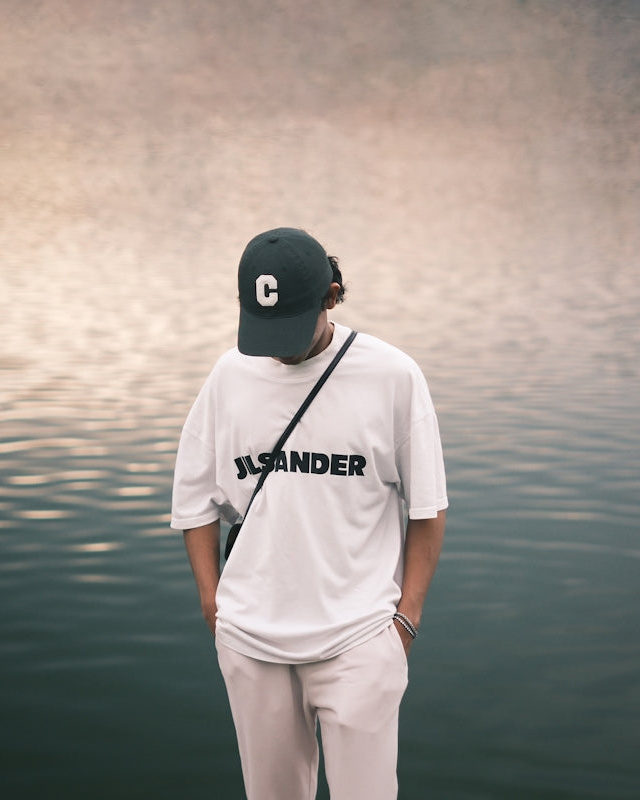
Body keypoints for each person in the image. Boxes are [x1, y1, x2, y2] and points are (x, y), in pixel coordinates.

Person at [171, 227, 447, 800]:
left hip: (359, 639)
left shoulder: (393, 377)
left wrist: (406, 619)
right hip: (251, 641)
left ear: (333, 295)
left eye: (290, 329)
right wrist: (212, 602)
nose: (279, 346)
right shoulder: (229, 377)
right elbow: (195, 498)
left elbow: (427, 506)